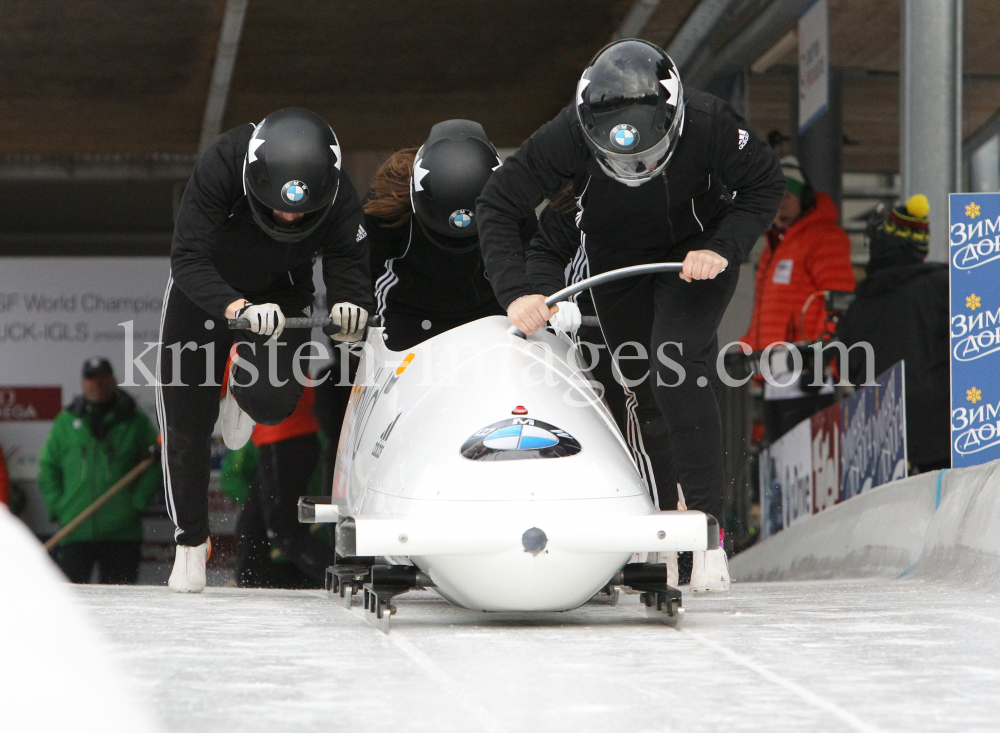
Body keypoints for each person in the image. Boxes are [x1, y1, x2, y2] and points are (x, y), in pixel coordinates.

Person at [476, 39, 785, 592]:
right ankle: (661, 529)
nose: (634, 168)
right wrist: (517, 291)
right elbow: (499, 202)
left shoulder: (713, 123)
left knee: (675, 363)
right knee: (639, 385)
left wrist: (724, 245)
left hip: (693, 259)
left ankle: (707, 534)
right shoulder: (567, 133)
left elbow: (764, 185)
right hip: (618, 261)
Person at [158, 108, 373, 593]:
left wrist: (350, 307)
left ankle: (243, 384)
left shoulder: (338, 193)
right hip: (205, 289)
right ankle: (191, 542)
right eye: (280, 207)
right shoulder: (221, 164)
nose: (290, 216)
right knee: (187, 421)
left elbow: (349, 262)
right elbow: (187, 256)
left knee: (275, 404)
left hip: (282, 288)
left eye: (301, 210)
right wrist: (235, 307)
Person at [366, 119, 540, 351]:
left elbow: (536, 259)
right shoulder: (386, 206)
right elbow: (361, 268)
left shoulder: (514, 207)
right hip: (409, 315)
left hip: (490, 314)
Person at [741, 155, 856, 440]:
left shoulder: (822, 237)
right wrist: (748, 352)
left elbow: (840, 301)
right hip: (777, 374)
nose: (781, 205)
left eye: (788, 197)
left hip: (808, 372)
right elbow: (764, 311)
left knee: (807, 455)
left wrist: (824, 357)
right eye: (776, 198)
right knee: (781, 460)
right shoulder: (774, 246)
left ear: (804, 199)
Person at [838, 195, 950, 472]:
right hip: (948, 438)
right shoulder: (946, 286)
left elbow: (851, 370)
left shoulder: (858, 307)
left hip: (884, 448)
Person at [38, 358, 161, 584]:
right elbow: (48, 467)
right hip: (75, 529)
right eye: (91, 378)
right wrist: (59, 505)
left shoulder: (135, 420)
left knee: (119, 606)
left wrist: (137, 502)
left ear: (113, 381)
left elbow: (157, 462)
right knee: (73, 604)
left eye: (102, 378)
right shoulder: (66, 421)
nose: (97, 384)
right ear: (83, 383)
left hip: (122, 532)